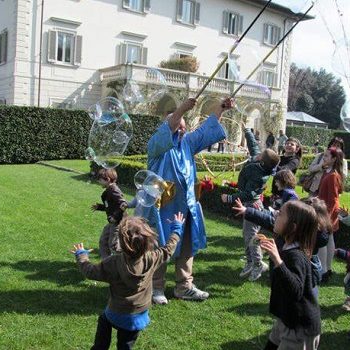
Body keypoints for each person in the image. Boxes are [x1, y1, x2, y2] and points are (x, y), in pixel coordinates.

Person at [143, 97, 235, 304]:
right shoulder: (157, 144)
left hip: (186, 207)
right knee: (160, 244)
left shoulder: (187, 144)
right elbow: (171, 124)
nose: (182, 130)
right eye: (178, 126)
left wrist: (220, 109)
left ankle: (184, 286)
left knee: (186, 246)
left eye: (184, 127)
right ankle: (156, 287)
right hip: (162, 207)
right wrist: (181, 109)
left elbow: (205, 131)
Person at [71, 213, 184, 350]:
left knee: (104, 321)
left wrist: (81, 255)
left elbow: (90, 271)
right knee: (126, 344)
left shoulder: (113, 263)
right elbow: (169, 249)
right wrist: (177, 228)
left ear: (123, 243)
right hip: (138, 317)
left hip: (116, 312)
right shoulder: (152, 258)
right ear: (148, 241)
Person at [221, 128, 280, 281]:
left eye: (261, 153)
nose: (257, 152)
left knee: (251, 237)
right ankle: (250, 261)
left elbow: (248, 194)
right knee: (248, 236)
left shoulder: (259, 175)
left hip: (252, 206)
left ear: (261, 160)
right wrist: (247, 132)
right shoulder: (258, 162)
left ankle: (259, 263)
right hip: (249, 204)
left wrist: (229, 198)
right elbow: (253, 146)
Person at [260, 201, 321, 350]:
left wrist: (278, 261)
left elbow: (295, 290)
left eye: (280, 214)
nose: (275, 215)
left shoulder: (297, 256)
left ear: (293, 227)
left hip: (300, 328)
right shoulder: (286, 246)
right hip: (287, 318)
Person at [318, 147, 344, 283]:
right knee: (328, 240)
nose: (324, 158)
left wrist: (327, 217)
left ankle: (324, 270)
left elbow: (333, 200)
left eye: (327, 156)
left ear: (334, 159)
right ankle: (326, 269)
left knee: (323, 241)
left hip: (327, 214)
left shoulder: (333, 176)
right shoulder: (327, 172)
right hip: (324, 212)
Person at [91, 168, 127, 259]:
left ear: (107, 179)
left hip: (118, 222)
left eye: (100, 180)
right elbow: (110, 206)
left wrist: (115, 216)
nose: (99, 181)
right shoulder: (109, 190)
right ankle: (106, 263)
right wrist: (99, 207)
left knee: (114, 245)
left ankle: (125, 261)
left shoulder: (114, 190)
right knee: (103, 241)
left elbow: (123, 204)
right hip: (112, 221)